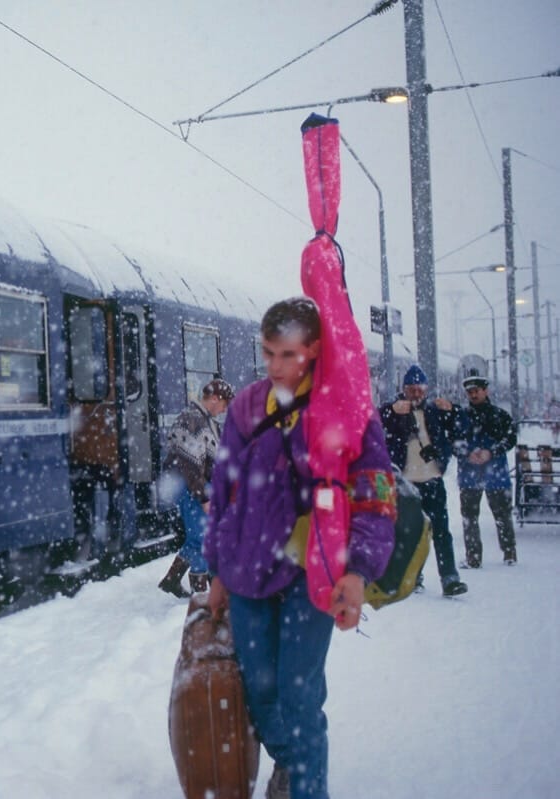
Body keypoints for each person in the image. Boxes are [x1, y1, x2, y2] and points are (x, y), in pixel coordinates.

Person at [204, 297, 396, 799]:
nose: (274, 366)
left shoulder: (348, 410)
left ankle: (309, 788)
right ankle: (289, 763)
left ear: (312, 349)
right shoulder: (247, 406)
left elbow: (374, 495)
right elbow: (222, 489)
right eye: (267, 353)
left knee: (299, 693)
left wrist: (357, 569)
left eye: (286, 354)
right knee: (261, 691)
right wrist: (217, 569)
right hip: (247, 570)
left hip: (312, 573)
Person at [379, 365, 468, 596]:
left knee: (441, 530)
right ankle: (411, 577)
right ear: (404, 389)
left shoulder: (435, 411)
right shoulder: (395, 411)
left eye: (420, 390)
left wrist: (454, 409)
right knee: (407, 532)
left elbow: (463, 429)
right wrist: (390, 410)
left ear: (426, 390)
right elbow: (374, 423)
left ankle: (449, 578)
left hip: (432, 479)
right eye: (411, 389)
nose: (416, 394)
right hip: (405, 483)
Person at [158, 378, 235, 597]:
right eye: (224, 405)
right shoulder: (191, 420)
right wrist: (204, 497)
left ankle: (172, 580)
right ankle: (200, 591)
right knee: (204, 538)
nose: (224, 410)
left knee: (196, 536)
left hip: (197, 485)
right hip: (191, 487)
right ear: (214, 399)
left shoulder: (206, 420)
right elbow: (191, 466)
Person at [453, 371, 518, 566]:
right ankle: (476, 556)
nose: (473, 395)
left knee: (499, 515)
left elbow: (510, 439)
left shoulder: (497, 416)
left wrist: (489, 451)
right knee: (472, 516)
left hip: (479, 473)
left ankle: (507, 553)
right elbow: (453, 442)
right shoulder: (465, 416)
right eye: (470, 391)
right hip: (488, 473)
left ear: (485, 390)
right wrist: (469, 453)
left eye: (476, 391)